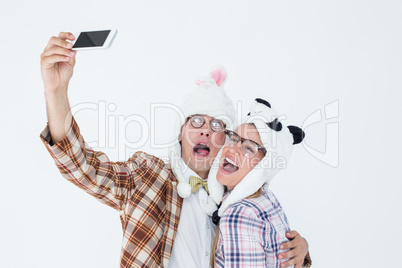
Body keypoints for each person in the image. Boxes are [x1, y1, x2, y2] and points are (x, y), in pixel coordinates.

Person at [39, 32, 311, 268]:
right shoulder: (147, 176)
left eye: (216, 124)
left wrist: (300, 251)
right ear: (180, 134)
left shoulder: (237, 198)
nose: (205, 130)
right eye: (196, 121)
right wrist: (55, 90)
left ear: (227, 140)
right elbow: (82, 167)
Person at [207, 98, 311, 268]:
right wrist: (304, 246)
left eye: (249, 148)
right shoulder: (266, 198)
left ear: (264, 166)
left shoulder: (238, 216)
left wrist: (303, 247)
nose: (232, 149)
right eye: (233, 138)